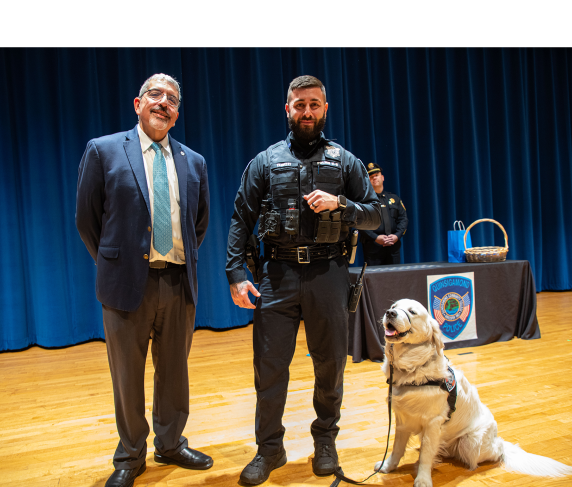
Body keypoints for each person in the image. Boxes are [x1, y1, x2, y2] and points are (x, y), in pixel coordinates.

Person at [226, 75, 381, 485]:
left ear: (325, 109)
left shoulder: (345, 161)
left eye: (314, 104)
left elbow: (376, 215)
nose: (307, 111)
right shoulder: (264, 161)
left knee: (330, 365)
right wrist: (236, 275)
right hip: (276, 275)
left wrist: (342, 204)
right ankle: (270, 450)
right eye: (300, 104)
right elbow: (241, 218)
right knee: (270, 366)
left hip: (329, 275)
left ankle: (325, 442)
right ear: (287, 109)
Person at [76, 74, 212, 487]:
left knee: (174, 372)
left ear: (176, 113)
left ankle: (171, 444)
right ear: (138, 103)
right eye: (156, 95)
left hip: (177, 283)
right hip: (125, 284)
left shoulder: (194, 161)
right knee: (127, 375)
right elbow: (87, 219)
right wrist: (117, 262)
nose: (164, 103)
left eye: (172, 99)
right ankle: (130, 456)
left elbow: (199, 223)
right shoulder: (103, 151)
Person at [360, 163, 408, 265]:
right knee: (374, 279)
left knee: (395, 278)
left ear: (382, 177)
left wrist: (397, 236)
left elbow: (403, 219)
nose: (374, 178)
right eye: (371, 177)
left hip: (393, 248)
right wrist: (375, 238)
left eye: (376, 175)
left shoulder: (394, 198)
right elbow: (360, 223)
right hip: (373, 249)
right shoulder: (364, 201)